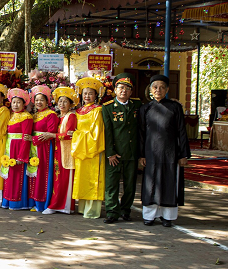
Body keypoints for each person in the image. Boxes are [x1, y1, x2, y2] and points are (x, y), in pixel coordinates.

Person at [138, 74, 191, 227]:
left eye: (162, 87)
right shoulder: (145, 108)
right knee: (151, 183)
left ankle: (167, 217)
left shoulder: (175, 107)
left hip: (171, 152)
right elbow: (141, 133)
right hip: (150, 152)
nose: (158, 90)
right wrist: (141, 154)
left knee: (169, 182)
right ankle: (149, 216)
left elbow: (182, 131)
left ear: (167, 89)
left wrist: (183, 154)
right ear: (150, 90)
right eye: (155, 87)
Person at [101, 73, 142, 224]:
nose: (124, 91)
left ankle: (126, 210)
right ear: (115, 90)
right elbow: (107, 131)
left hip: (131, 152)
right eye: (121, 88)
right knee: (112, 184)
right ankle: (112, 211)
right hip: (114, 153)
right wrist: (110, 153)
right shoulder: (108, 107)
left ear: (131, 92)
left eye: (127, 88)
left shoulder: (137, 105)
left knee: (130, 185)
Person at [71, 77, 106, 219]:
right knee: (82, 178)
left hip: (92, 149)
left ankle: (92, 210)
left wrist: (76, 135)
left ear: (96, 95)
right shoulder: (79, 111)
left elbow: (96, 133)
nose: (87, 96)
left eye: (90, 93)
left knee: (93, 179)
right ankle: (83, 207)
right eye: (85, 93)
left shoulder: (98, 110)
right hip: (80, 149)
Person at [44, 87, 78, 215]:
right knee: (57, 179)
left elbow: (69, 135)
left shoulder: (71, 116)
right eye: (60, 101)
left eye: (65, 101)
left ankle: (61, 205)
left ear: (70, 104)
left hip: (66, 152)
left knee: (63, 179)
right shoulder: (59, 117)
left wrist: (52, 135)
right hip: (58, 151)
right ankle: (58, 204)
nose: (61, 104)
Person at [0, 88, 34, 210]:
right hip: (10, 147)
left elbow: (26, 137)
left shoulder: (26, 117)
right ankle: (8, 200)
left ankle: (18, 203)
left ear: (24, 103)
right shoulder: (11, 115)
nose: (15, 105)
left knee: (18, 176)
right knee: (9, 175)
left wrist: (22, 156)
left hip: (19, 148)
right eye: (13, 102)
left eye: (18, 102)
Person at [29, 85, 59, 213]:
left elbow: (51, 133)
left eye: (41, 100)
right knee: (33, 174)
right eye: (36, 100)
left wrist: (34, 140)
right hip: (34, 147)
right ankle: (34, 201)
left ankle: (42, 203)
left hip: (44, 148)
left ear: (47, 101)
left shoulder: (51, 114)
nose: (39, 102)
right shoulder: (35, 115)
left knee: (43, 174)